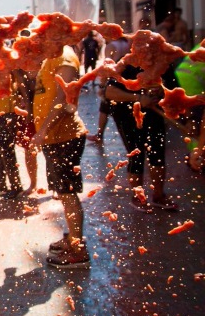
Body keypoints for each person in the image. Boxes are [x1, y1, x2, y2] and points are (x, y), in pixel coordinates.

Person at [32, 45, 89, 269]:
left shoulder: (65, 58)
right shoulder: (50, 55)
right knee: (63, 193)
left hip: (65, 136)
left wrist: (43, 130)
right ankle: (72, 237)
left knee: (68, 193)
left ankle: (78, 251)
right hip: (53, 138)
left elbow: (64, 100)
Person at [105, 61, 178, 212]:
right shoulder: (127, 64)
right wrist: (138, 98)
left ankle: (158, 196)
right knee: (136, 154)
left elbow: (175, 90)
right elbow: (110, 91)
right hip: (127, 116)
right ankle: (138, 197)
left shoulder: (164, 64)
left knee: (157, 154)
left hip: (155, 115)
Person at [88, 35, 130, 144]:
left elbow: (108, 67)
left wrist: (102, 85)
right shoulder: (126, 44)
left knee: (104, 108)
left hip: (113, 81)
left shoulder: (111, 46)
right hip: (126, 79)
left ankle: (100, 134)